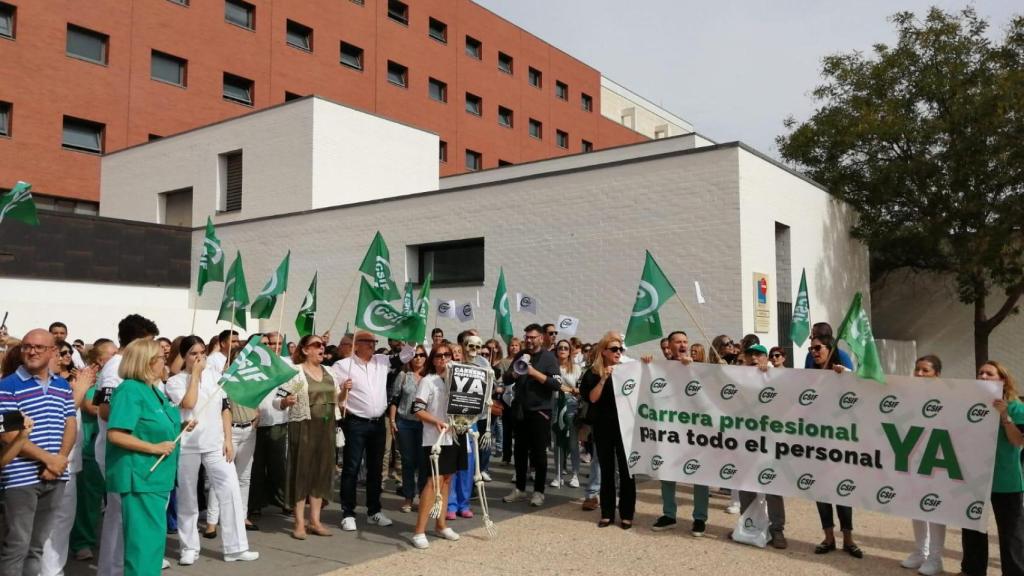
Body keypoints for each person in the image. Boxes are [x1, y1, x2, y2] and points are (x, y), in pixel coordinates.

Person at [165, 336, 258, 564]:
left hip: (215, 443)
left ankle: (236, 548)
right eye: (193, 354)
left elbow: (225, 409)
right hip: (188, 445)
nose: (199, 358)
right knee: (188, 497)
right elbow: (188, 404)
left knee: (230, 489)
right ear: (184, 356)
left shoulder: (217, 377)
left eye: (202, 353)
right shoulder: (175, 382)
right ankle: (189, 547)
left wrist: (228, 440)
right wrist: (194, 375)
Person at [0, 329, 77, 576]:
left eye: (38, 347)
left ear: (53, 351)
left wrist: (60, 460)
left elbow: (70, 425)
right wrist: (49, 460)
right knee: (16, 547)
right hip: (19, 477)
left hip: (55, 475)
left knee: (36, 547)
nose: (31, 351)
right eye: (26, 346)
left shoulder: (62, 385)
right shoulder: (7, 385)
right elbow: (9, 434)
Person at [104, 339, 180, 575]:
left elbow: (157, 426)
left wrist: (184, 424)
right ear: (147, 362)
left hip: (156, 478)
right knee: (143, 546)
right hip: (140, 477)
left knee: (153, 543)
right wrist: (154, 448)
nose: (164, 362)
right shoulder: (130, 389)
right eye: (160, 358)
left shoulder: (152, 390)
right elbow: (116, 434)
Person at [96, 314, 161, 576]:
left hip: (135, 453)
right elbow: (105, 410)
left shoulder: (131, 370)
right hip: (122, 454)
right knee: (120, 517)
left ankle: (119, 566)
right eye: (149, 342)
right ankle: (114, 569)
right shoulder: (116, 368)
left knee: (122, 518)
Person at [331, 331, 407, 531]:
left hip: (377, 424)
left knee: (375, 469)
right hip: (355, 423)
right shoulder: (342, 366)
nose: (373, 345)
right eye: (368, 342)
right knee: (351, 468)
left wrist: (413, 338)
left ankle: (374, 511)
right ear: (356, 345)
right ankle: (348, 513)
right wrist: (343, 390)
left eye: (374, 342)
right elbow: (334, 395)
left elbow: (406, 356)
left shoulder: (382, 361)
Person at [961, 360, 1024, 576]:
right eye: (980, 373)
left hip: (1006, 481)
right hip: (975, 478)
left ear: (1003, 380)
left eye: (989, 374)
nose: (983, 377)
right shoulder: (970, 404)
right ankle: (972, 570)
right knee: (972, 527)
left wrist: (1005, 416)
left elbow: (1018, 441)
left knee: (1011, 533)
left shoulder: (1017, 407)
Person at [272, 335, 337, 539]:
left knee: (321, 471)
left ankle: (315, 520)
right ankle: (299, 522)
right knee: (302, 471)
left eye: (322, 345)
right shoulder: (297, 374)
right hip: (304, 426)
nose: (321, 348)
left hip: (327, 427)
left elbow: (338, 400)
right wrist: (285, 402)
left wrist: (345, 393)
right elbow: (277, 399)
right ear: (305, 350)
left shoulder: (330, 372)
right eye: (316, 345)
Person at [807, 334, 862, 558]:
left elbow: (863, 388)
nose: (814, 352)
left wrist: (846, 375)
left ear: (830, 348)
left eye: (818, 347)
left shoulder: (842, 374)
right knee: (822, 492)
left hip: (841, 444)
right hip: (816, 445)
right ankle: (828, 537)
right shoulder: (808, 377)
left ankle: (848, 538)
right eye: (811, 349)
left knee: (843, 492)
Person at [409, 344, 465, 549]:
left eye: (447, 355)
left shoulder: (457, 380)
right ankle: (419, 530)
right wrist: (436, 422)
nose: (443, 359)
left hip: (455, 436)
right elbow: (417, 409)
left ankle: (440, 525)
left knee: (447, 480)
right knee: (433, 482)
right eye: (439, 356)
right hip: (435, 437)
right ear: (433, 359)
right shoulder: (428, 381)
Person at [502, 324, 562, 506]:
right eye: (527, 337)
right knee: (519, 452)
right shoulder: (520, 355)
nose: (529, 340)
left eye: (533, 337)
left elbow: (556, 384)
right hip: (521, 410)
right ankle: (520, 489)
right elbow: (506, 378)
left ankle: (538, 491)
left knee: (538, 454)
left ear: (541, 338)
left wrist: (534, 373)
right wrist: (513, 373)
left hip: (540, 411)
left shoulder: (549, 358)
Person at [579, 332, 634, 528]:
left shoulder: (628, 370)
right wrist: (603, 379)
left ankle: (627, 513)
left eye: (620, 349)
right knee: (607, 469)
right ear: (603, 352)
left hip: (625, 426)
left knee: (627, 471)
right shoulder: (592, 373)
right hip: (603, 426)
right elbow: (592, 399)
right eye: (614, 349)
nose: (618, 352)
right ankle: (607, 513)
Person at [205, 342, 259, 536]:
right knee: (220, 477)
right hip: (230, 432)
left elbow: (258, 401)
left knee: (244, 477)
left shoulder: (252, 379)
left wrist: (256, 416)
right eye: (240, 358)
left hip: (249, 430)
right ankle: (212, 521)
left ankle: (241, 516)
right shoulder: (222, 379)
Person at [70, 339, 117, 562]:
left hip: (113, 448)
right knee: (89, 501)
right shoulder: (90, 379)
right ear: (99, 359)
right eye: (112, 354)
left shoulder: (118, 377)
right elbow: (91, 406)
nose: (118, 357)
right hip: (91, 448)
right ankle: (82, 542)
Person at [899, 355, 946, 575]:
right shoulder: (910, 395)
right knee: (915, 507)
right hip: (913, 456)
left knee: (935, 510)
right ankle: (920, 552)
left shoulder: (950, 396)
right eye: (917, 369)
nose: (919, 374)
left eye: (925, 370)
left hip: (938, 459)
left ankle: (936, 559)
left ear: (937, 373)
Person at [250, 332, 290, 520]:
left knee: (278, 465)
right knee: (256, 466)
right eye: (270, 343)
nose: (274, 346)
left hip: (278, 420)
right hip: (254, 423)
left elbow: (293, 386)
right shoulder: (251, 364)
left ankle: (282, 500)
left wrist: (285, 398)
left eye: (278, 343)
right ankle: (256, 503)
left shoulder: (285, 363)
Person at [390, 345, 429, 513]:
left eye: (421, 355)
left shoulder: (431, 378)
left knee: (423, 462)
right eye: (415, 355)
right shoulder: (403, 376)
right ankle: (408, 498)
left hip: (425, 424)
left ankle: (423, 496)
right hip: (405, 423)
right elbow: (395, 399)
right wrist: (392, 420)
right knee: (407, 462)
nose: (418, 358)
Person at [551, 339, 582, 489]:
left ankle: (575, 474)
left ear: (570, 351)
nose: (562, 350)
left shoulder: (576, 368)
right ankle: (558, 475)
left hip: (571, 407)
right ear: (556, 350)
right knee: (557, 443)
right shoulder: (551, 367)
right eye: (560, 348)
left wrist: (574, 391)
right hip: (555, 406)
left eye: (565, 348)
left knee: (573, 443)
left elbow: (580, 388)